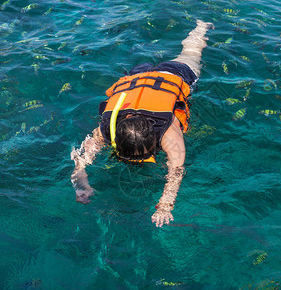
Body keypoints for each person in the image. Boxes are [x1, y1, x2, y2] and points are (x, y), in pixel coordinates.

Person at [70, 20, 213, 227]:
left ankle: (202, 27)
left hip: (169, 74)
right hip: (145, 78)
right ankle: (200, 27)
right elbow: (80, 163)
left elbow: (176, 171)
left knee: (193, 51)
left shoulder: (168, 134)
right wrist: (82, 186)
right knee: (190, 50)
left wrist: (165, 205)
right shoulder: (107, 129)